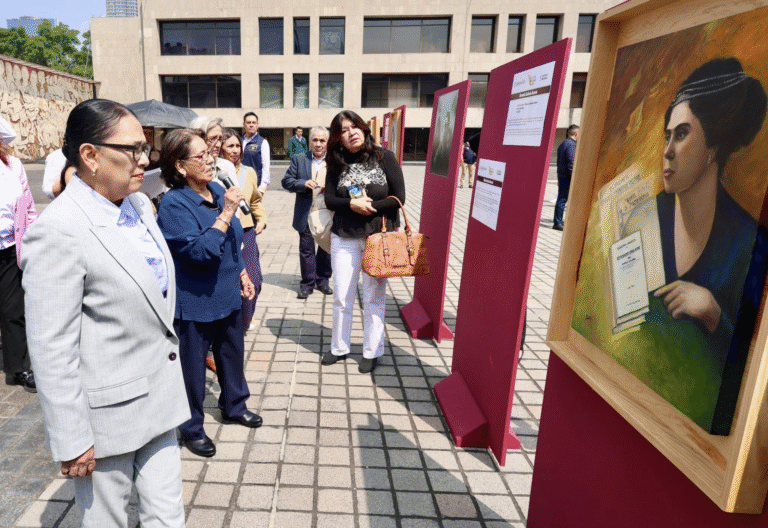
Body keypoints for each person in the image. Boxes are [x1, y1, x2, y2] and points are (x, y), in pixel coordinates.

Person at [21, 99, 189, 527]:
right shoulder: (59, 230)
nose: (145, 160)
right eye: (132, 149)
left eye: (146, 147)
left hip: (161, 400)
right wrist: (71, 436)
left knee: (168, 517)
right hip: (106, 419)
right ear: (90, 155)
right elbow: (50, 345)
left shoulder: (136, 204)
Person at [643, 58, 766, 356]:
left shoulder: (749, 244)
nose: (667, 151)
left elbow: (748, 363)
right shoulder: (646, 218)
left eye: (682, 134)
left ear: (712, 145)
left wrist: (712, 313)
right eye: (667, 136)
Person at [156, 128, 262, 459]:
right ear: (179, 165)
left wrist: (242, 271)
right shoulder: (174, 204)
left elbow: (233, 240)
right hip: (194, 301)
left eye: (209, 153)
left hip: (226, 292)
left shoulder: (216, 189)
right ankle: (191, 427)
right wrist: (227, 212)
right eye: (200, 155)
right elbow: (199, 252)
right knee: (191, 368)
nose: (209, 160)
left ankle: (234, 404)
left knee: (231, 353)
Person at [323, 111, 406, 374]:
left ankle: (372, 350)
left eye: (355, 126)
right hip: (344, 237)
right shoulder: (335, 162)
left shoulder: (385, 157)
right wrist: (351, 204)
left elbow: (398, 197)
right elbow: (329, 201)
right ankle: (339, 347)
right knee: (342, 297)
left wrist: (369, 207)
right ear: (339, 139)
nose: (352, 132)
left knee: (373, 298)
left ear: (364, 129)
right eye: (344, 130)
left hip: (377, 238)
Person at [220, 128, 267, 331]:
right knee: (230, 282)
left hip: (246, 231)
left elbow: (255, 200)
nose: (235, 150)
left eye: (238, 145)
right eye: (230, 145)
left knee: (254, 280)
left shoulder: (249, 172)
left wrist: (262, 218)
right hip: (222, 232)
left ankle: (244, 321)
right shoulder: (214, 172)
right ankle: (231, 325)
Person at [1, 134, 37, 392]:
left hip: (9, 246)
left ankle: (19, 367)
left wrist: (31, 237)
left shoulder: (12, 165)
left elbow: (28, 206)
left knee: (13, 309)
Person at [282, 126, 333, 299]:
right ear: (309, 141)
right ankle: (307, 283)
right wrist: (302, 183)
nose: (318, 144)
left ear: (327, 143)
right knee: (307, 249)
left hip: (328, 213)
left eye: (322, 140)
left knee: (326, 249)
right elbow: (286, 181)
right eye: (315, 140)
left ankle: (323, 280)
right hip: (306, 212)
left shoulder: (334, 161)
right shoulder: (299, 159)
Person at [553, 124, 579, 230]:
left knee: (561, 199)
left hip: (562, 176)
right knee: (562, 200)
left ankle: (558, 221)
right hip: (568, 177)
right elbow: (571, 162)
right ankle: (557, 222)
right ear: (576, 134)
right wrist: (574, 177)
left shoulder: (563, 144)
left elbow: (559, 163)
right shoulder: (571, 145)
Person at [241, 112, 271, 193]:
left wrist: (262, 188)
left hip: (254, 185)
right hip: (238, 183)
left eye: (254, 123)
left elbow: (266, 166)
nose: (251, 125)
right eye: (248, 122)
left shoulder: (262, 142)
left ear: (257, 125)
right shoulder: (238, 141)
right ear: (244, 125)